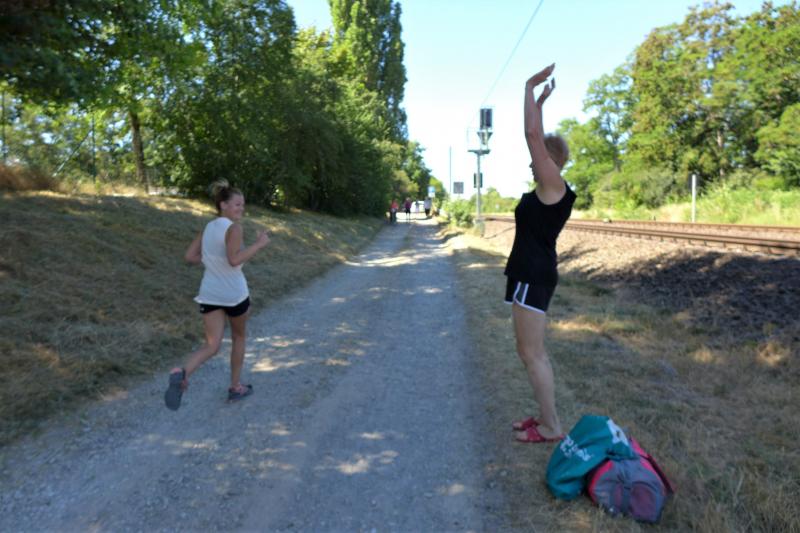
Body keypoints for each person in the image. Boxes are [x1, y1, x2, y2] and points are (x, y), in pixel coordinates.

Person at [505, 64, 576, 443]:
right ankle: (546, 417)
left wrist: (529, 87)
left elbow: (533, 135)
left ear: (548, 161)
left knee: (532, 354)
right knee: (528, 351)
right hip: (528, 274)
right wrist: (542, 103)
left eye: (537, 156)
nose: (530, 160)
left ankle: (551, 427)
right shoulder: (549, 188)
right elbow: (540, 137)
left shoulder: (554, 187)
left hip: (533, 276)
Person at [164, 180, 270, 410]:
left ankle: (182, 373)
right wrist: (259, 245)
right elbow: (234, 260)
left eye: (243, 205)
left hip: (210, 293)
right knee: (239, 338)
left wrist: (211, 260)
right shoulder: (234, 229)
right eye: (237, 204)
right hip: (234, 294)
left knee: (212, 345)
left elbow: (190, 257)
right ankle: (235, 387)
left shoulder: (208, 228)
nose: (241, 209)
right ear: (223, 205)